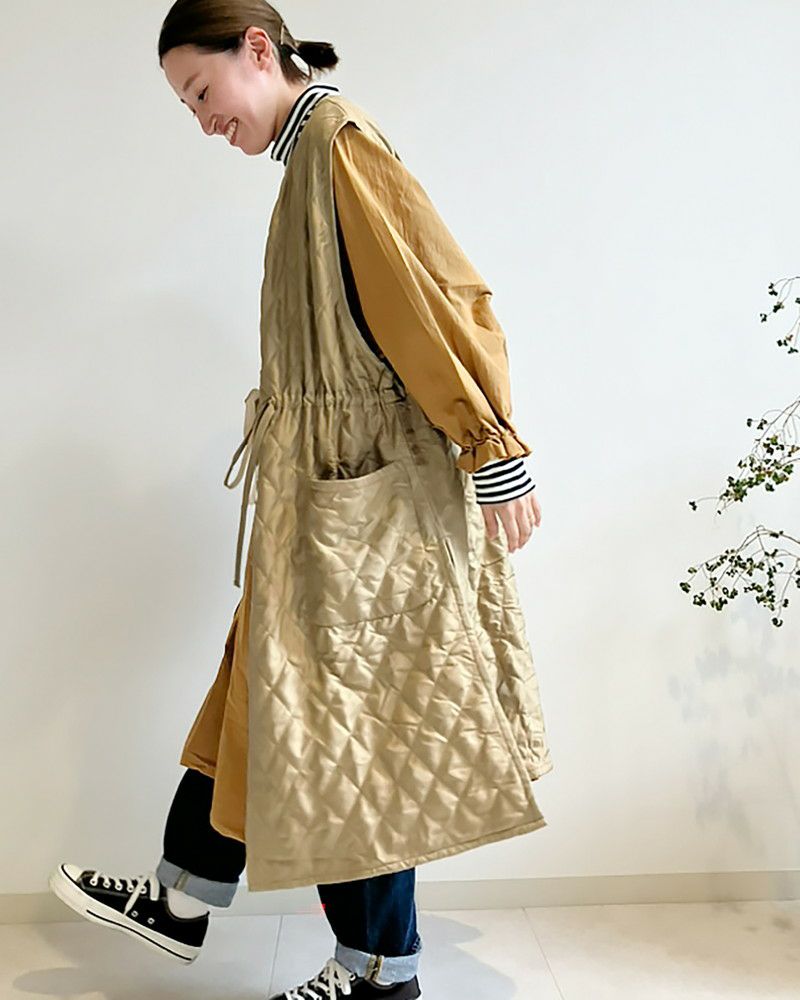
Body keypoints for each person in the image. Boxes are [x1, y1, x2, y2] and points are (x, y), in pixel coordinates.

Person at [49, 3, 552, 998]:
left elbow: (429, 299)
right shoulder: (307, 158)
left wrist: (492, 445)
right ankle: (184, 894)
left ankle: (377, 969)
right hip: (321, 490)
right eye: (185, 107)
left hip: (364, 496)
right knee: (267, 686)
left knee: (351, 723)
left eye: (202, 92)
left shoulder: (339, 145)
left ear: (256, 49)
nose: (203, 120)